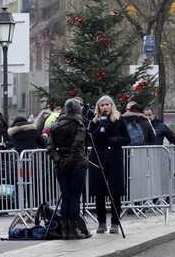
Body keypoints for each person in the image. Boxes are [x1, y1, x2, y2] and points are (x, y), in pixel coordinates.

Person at [47, 98, 91, 240]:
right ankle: (73, 229)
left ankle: (65, 230)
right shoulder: (79, 124)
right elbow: (78, 145)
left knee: (66, 197)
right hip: (76, 165)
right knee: (74, 199)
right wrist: (71, 162)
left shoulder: (55, 126)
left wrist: (60, 160)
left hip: (61, 166)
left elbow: (50, 148)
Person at [88, 95, 130, 235]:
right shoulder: (94, 121)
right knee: (98, 191)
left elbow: (127, 138)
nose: (104, 107)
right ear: (98, 107)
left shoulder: (118, 120)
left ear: (112, 105)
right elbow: (90, 138)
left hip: (114, 158)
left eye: (107, 104)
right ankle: (101, 223)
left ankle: (115, 223)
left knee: (115, 192)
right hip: (98, 158)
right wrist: (99, 128)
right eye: (102, 105)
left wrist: (115, 140)